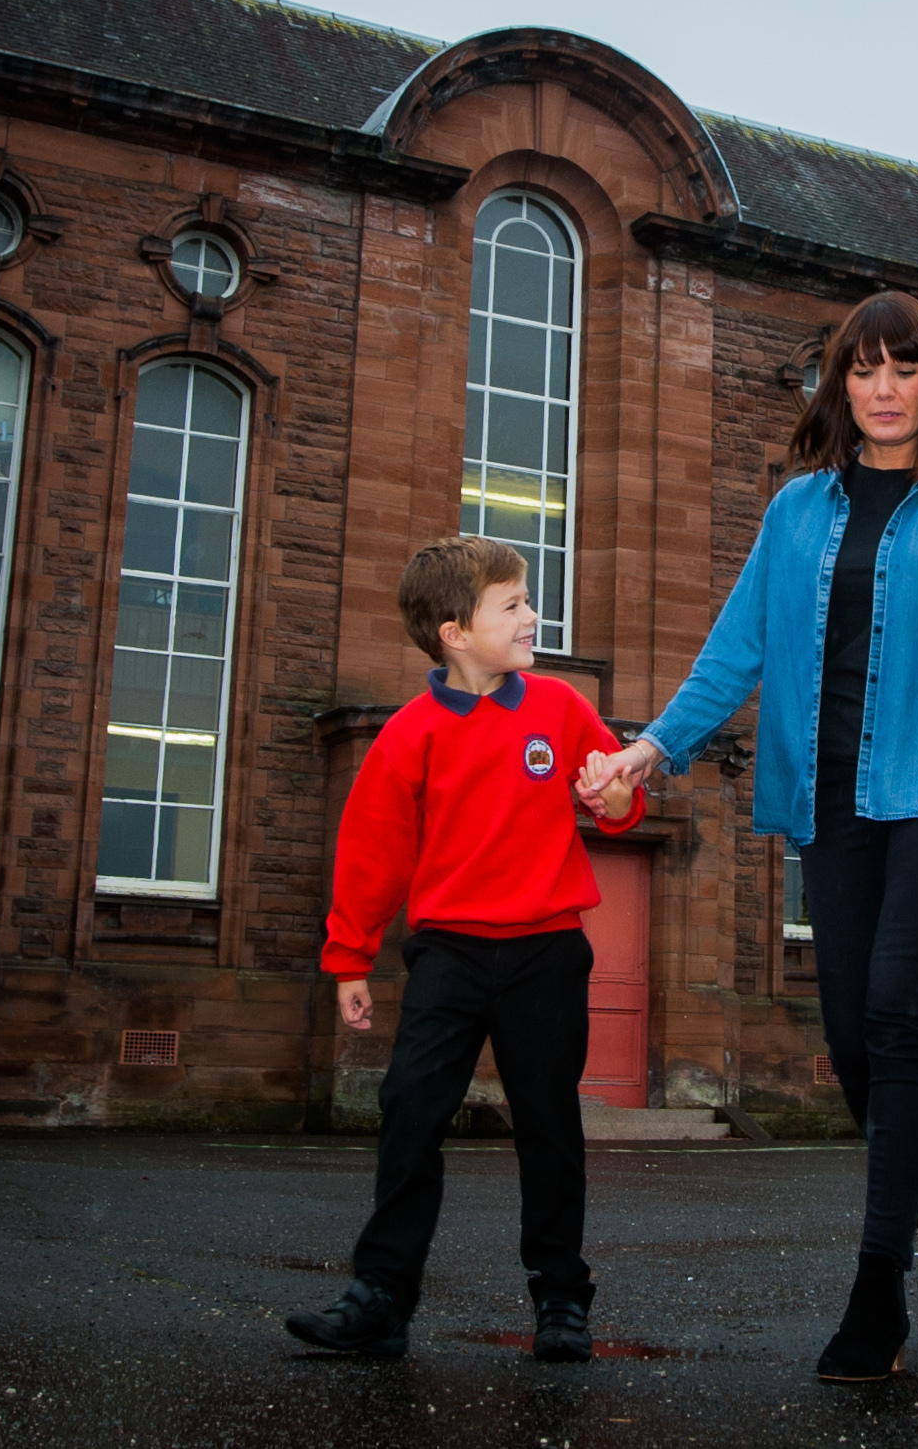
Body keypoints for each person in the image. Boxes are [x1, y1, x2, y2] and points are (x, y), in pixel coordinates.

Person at [581, 291, 918, 1383]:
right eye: (861, 369)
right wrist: (648, 749)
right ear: (838, 383)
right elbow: (736, 645)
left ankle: (874, 1285)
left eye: (903, 368)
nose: (882, 388)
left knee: (897, 1010)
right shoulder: (797, 510)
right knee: (851, 1034)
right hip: (829, 793)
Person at [284, 535, 645, 1360]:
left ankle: (561, 1298)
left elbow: (616, 801)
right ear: (454, 630)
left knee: (550, 1126)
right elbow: (371, 853)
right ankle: (380, 1297)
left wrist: (619, 791)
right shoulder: (409, 733)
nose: (531, 614)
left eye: (527, 600)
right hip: (447, 953)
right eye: (512, 603)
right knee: (410, 1111)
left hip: (547, 951)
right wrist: (347, 959)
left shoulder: (557, 707)